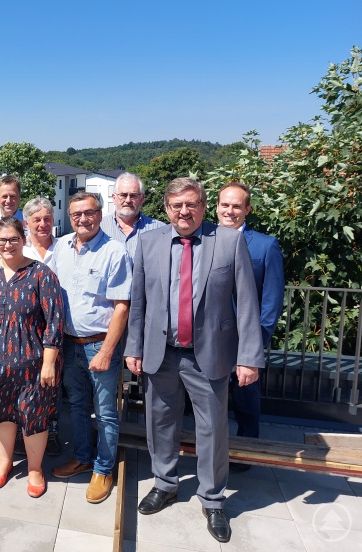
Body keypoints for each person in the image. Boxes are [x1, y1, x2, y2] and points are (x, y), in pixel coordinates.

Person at [124, 178, 264, 543]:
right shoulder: (148, 242)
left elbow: (248, 303)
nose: (183, 212)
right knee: (160, 422)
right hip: (161, 353)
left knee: (213, 430)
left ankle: (213, 499)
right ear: (167, 209)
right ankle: (165, 483)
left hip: (210, 357)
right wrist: (133, 347)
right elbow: (138, 301)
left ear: (203, 206)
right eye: (175, 206)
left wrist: (249, 357)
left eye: (191, 204)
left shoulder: (230, 242)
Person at [0, 216, 64, 498]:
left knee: (34, 416)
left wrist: (48, 364)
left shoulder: (41, 275)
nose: (8, 245)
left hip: (33, 364)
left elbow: (55, 323)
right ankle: (5, 461)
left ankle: (34, 468)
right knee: (2, 412)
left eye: (14, 239)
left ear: (24, 240)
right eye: (2, 240)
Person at [49, 192, 131, 504]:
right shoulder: (62, 247)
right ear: (69, 218)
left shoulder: (114, 252)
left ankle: (103, 468)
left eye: (89, 213)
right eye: (76, 214)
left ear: (100, 213)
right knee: (78, 406)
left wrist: (108, 351)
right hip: (69, 345)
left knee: (107, 412)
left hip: (100, 345)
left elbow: (121, 307)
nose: (83, 219)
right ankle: (82, 457)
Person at [216, 181, 284, 455]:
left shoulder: (266, 246)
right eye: (224, 205)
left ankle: (247, 451)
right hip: (207, 338)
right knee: (210, 401)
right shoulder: (202, 239)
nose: (229, 211)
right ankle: (214, 452)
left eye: (236, 206)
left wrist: (256, 342)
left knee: (246, 400)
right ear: (216, 207)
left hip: (246, 339)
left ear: (247, 209)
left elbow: (272, 299)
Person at [14, 196, 60, 456]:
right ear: (26, 223)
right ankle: (25, 431)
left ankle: (51, 431)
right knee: (27, 385)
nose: (42, 224)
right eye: (36, 220)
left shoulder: (65, 247)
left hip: (54, 328)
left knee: (51, 383)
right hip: (26, 332)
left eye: (47, 219)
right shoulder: (20, 250)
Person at [99, 172, 164, 261]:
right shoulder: (99, 227)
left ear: (141, 199)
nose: (128, 200)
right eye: (123, 195)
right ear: (114, 198)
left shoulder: (159, 229)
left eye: (133, 195)